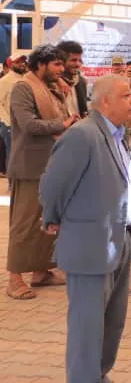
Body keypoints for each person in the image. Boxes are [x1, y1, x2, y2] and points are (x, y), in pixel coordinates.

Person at [39, 75, 131, 383]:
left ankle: (97, 374)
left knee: (113, 322)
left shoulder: (117, 134)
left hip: (119, 239)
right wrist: (52, 217)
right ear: (105, 101)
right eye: (126, 96)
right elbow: (53, 185)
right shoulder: (83, 135)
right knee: (87, 326)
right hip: (90, 245)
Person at [6, 44, 79, 300]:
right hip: (29, 166)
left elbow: (66, 117)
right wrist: (63, 124)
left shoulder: (54, 89)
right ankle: (14, 278)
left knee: (47, 221)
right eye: (56, 65)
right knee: (24, 223)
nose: (61, 69)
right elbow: (29, 125)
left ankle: (41, 271)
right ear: (40, 65)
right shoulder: (23, 88)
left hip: (52, 165)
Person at [0, 54, 28, 174]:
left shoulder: (25, 79)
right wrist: (7, 121)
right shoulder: (5, 81)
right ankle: (12, 184)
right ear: (11, 65)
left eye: (23, 62)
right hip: (9, 125)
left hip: (23, 124)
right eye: (18, 62)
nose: (22, 64)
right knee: (13, 154)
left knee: (22, 155)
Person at [56, 40, 89, 119]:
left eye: (79, 60)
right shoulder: (52, 83)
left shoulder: (81, 81)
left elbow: (83, 110)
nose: (78, 64)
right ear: (61, 61)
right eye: (73, 60)